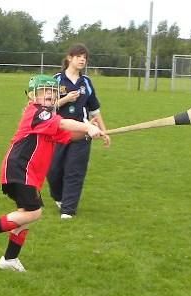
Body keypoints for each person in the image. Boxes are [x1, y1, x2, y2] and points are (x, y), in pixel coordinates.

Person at [0, 75, 109, 272]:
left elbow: (69, 135)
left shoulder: (48, 119)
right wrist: (87, 126)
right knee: (33, 212)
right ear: (32, 97)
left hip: (29, 173)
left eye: (53, 92)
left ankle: (9, 259)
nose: (50, 95)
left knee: (25, 216)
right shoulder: (37, 112)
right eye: (45, 92)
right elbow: (63, 124)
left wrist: (90, 132)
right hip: (20, 168)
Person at [47, 44, 109, 219]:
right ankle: (59, 197)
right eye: (79, 56)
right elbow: (46, 108)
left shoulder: (86, 82)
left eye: (85, 57)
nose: (82, 60)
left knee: (74, 171)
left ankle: (68, 210)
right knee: (53, 171)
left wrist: (104, 131)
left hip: (82, 134)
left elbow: (95, 110)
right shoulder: (56, 80)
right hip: (58, 132)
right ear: (69, 58)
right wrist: (65, 99)